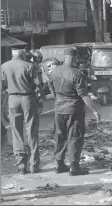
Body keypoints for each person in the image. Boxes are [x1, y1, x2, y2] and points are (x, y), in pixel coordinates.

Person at [49, 48, 101, 176]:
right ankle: (74, 167)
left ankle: (59, 165)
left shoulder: (54, 71)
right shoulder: (76, 74)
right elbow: (83, 95)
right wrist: (95, 110)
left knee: (59, 136)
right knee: (74, 137)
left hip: (59, 109)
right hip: (73, 110)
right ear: (75, 58)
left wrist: (56, 97)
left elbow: (49, 86)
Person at [1, 48, 43, 174]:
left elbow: (2, 87)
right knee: (32, 130)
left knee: (16, 132)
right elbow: (39, 84)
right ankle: (34, 164)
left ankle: (21, 165)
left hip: (12, 98)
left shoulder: (4, 66)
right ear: (23, 54)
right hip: (28, 98)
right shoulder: (30, 66)